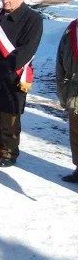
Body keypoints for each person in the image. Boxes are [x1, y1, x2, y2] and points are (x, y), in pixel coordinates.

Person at [0, 0, 43, 167]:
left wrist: (2, 69)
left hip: (14, 74)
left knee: (10, 116)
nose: (5, 1)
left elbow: (27, 49)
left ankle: (8, 152)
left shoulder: (33, 19)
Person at [56, 18, 78, 183]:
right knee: (76, 133)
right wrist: (62, 91)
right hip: (74, 91)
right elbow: (60, 63)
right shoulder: (72, 29)